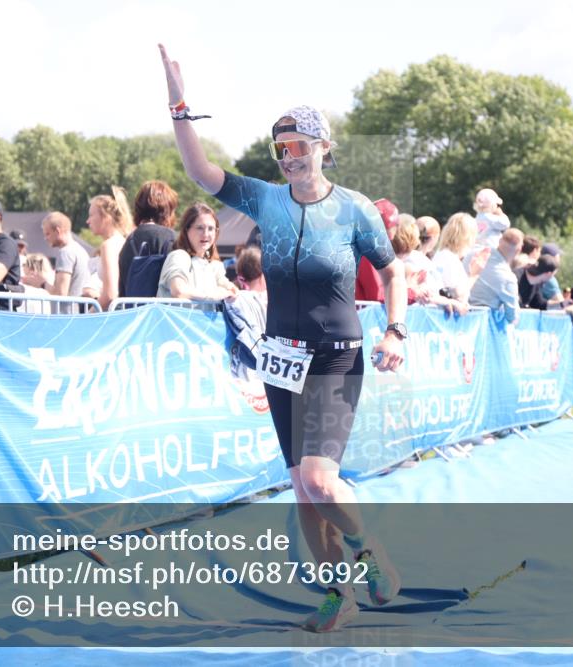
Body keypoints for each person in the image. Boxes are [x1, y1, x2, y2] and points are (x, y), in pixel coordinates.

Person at [161, 44, 407, 633]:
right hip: (281, 359)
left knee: (321, 480)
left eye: (298, 147)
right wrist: (179, 103)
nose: (288, 158)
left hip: (336, 354)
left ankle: (371, 551)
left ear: (324, 147)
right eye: (281, 150)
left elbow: (393, 270)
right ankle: (337, 595)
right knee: (301, 489)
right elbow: (199, 172)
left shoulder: (353, 210)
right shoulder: (266, 201)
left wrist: (396, 328)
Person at [157, 202, 238, 300]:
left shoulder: (213, 266)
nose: (206, 234)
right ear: (187, 230)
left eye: (211, 228)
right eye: (200, 228)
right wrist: (212, 296)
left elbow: (228, 287)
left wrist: (231, 290)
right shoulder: (179, 256)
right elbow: (178, 291)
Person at [393, 217, 466, 315]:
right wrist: (449, 302)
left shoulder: (425, 260)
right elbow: (424, 295)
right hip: (416, 317)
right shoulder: (410, 261)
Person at [21, 211, 91, 313]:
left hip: (66, 318)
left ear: (57, 231)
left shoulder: (65, 253)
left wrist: (42, 283)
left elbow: (60, 294)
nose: (45, 238)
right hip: (77, 315)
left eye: (48, 234)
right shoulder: (80, 250)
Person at [118, 180, 179, 296]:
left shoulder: (129, 241)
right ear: (167, 208)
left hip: (132, 311)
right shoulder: (171, 238)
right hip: (164, 311)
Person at [86, 186, 134, 310]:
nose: (88, 221)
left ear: (106, 216)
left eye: (91, 215)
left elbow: (110, 294)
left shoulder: (109, 246)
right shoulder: (123, 241)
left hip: (113, 317)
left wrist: (86, 317)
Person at [469, 228, 524, 325]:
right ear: (519, 250)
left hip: (457, 320)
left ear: (500, 240)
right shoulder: (508, 278)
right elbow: (512, 317)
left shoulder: (473, 254)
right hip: (481, 328)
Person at [432, 212, 488, 303]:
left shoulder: (441, 254)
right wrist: (474, 275)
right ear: (468, 237)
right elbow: (456, 294)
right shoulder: (450, 260)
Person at [354, 198, 399, 302]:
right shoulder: (369, 249)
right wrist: (412, 292)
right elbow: (377, 295)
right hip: (361, 315)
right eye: (396, 225)